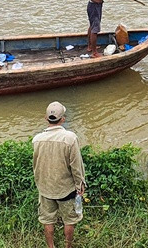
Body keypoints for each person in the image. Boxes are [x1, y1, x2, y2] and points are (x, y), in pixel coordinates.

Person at [32, 102, 86, 248]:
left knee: (47, 220)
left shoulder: (37, 139)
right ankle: (68, 246)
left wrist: (40, 183)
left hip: (45, 188)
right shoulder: (70, 138)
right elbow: (76, 166)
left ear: (46, 118)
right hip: (66, 189)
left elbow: (36, 164)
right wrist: (80, 184)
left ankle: (51, 246)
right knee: (69, 220)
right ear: (63, 119)